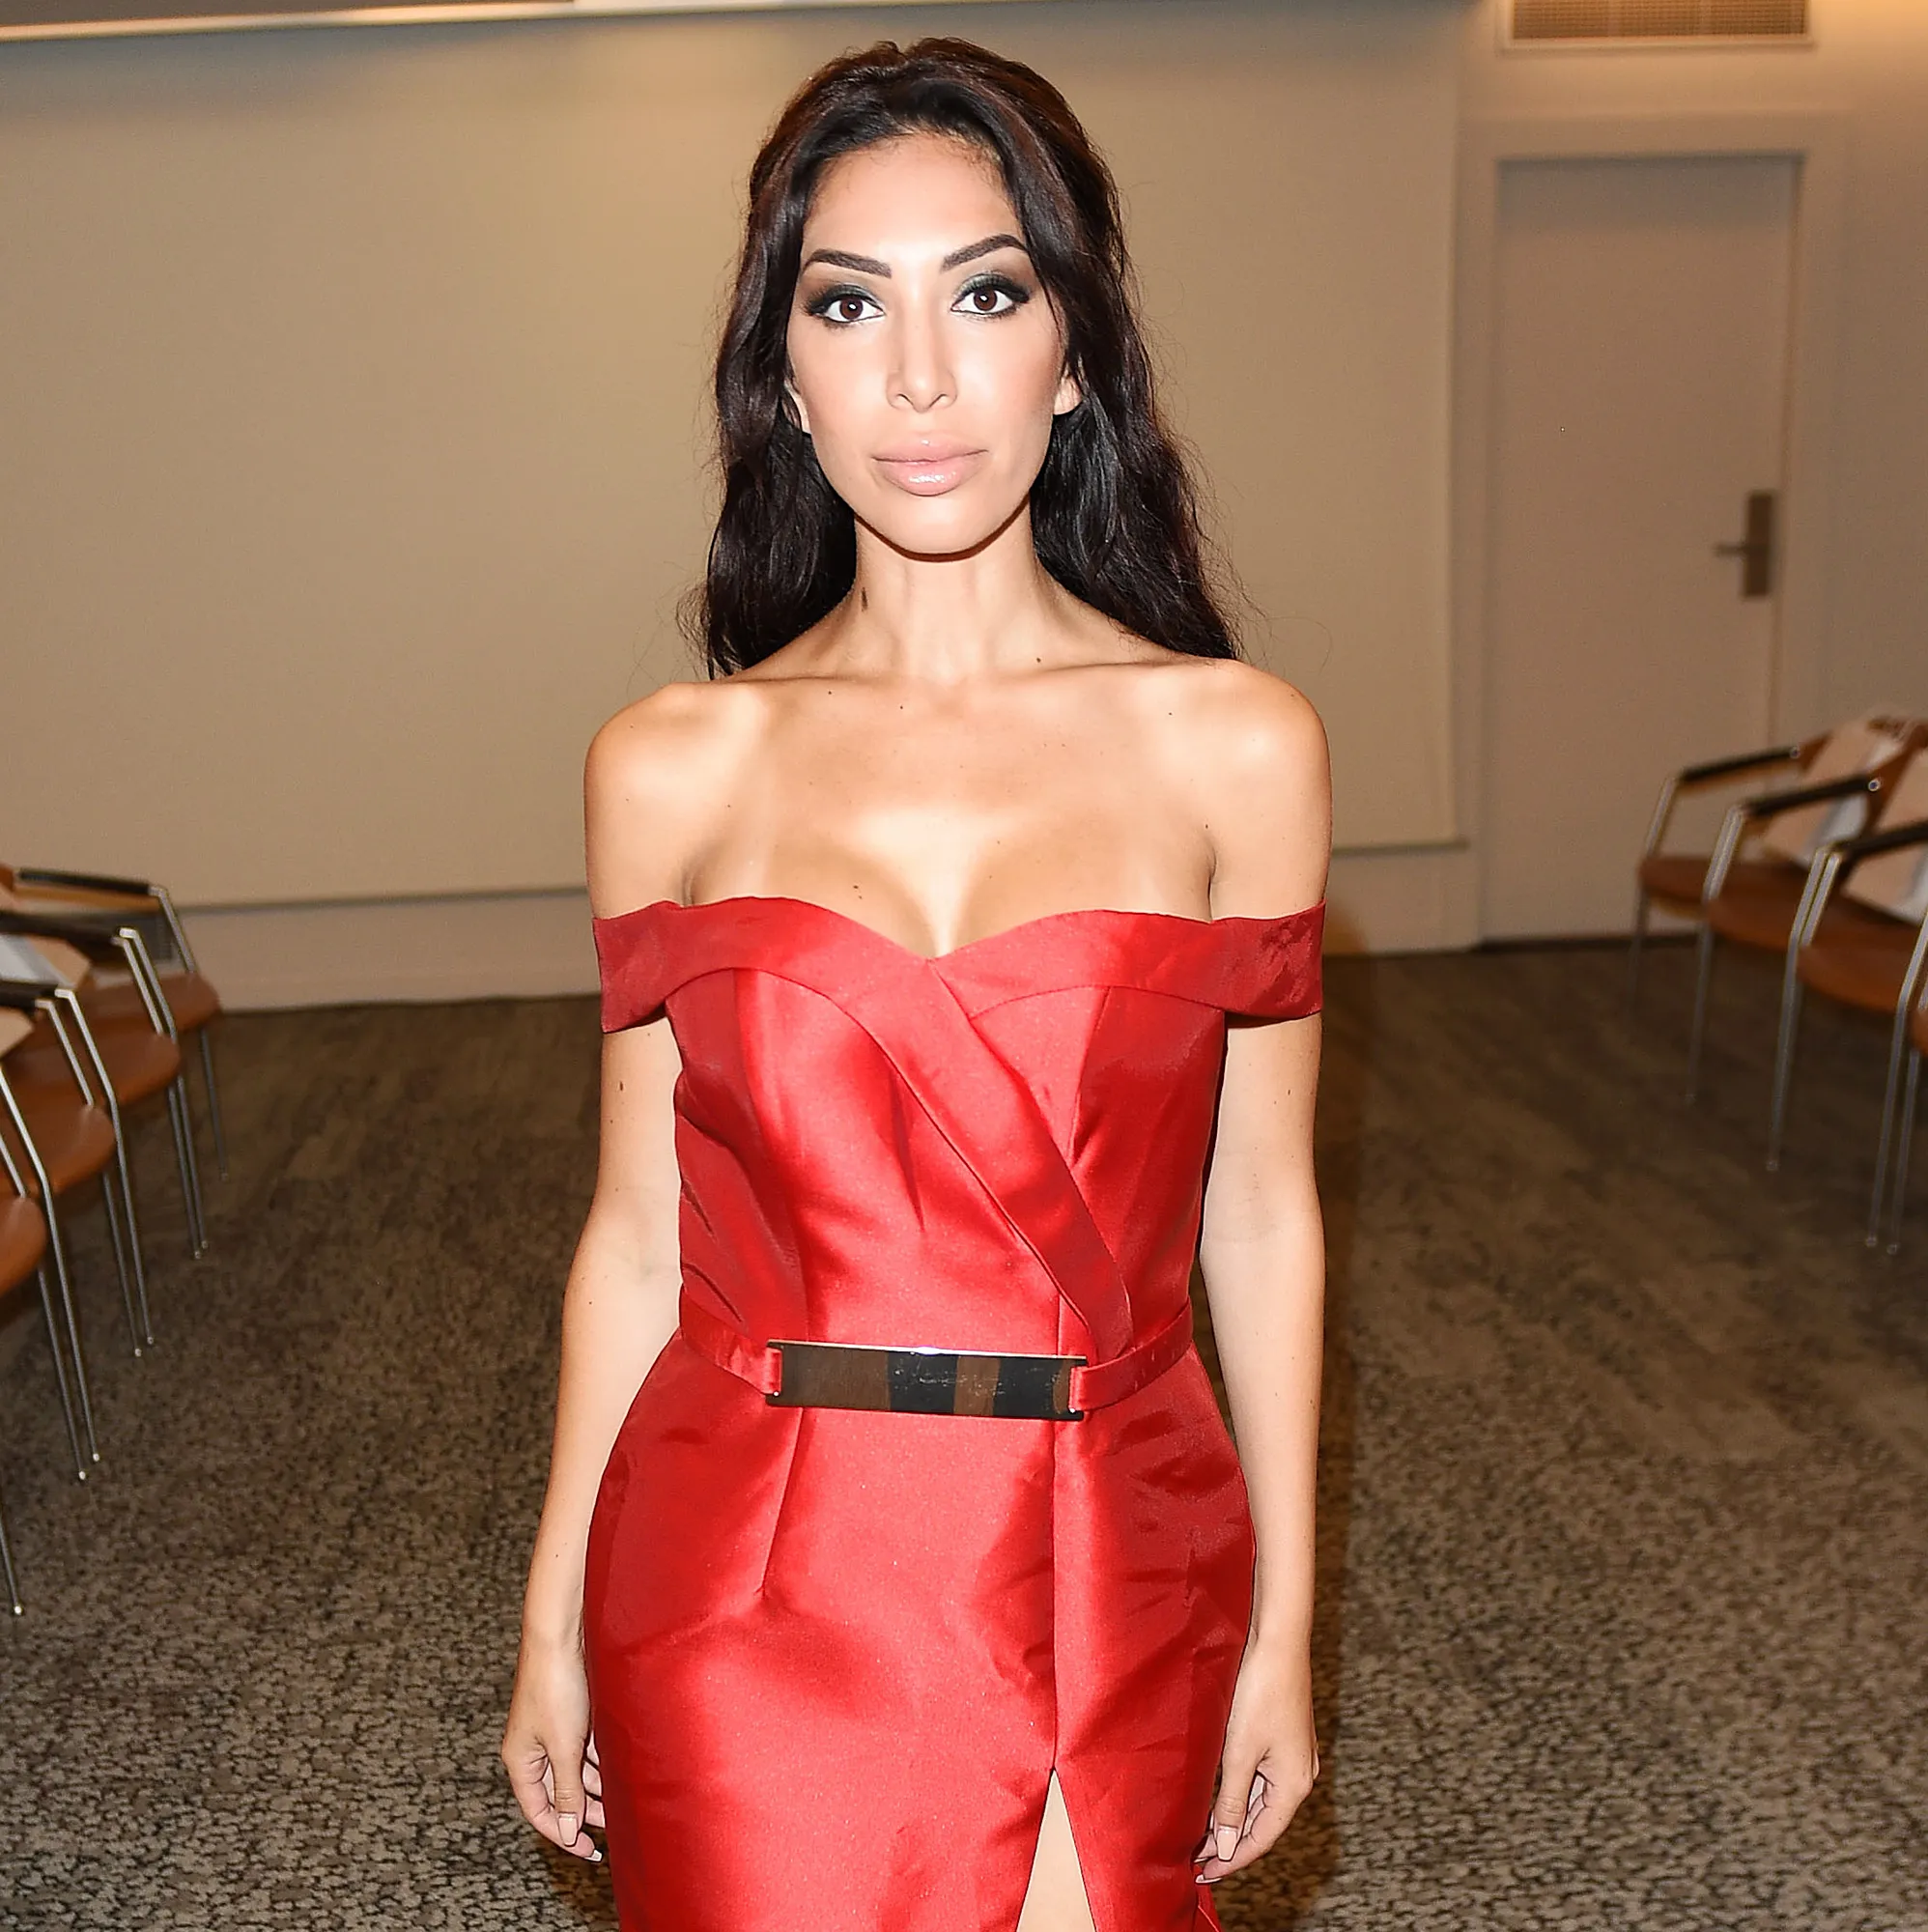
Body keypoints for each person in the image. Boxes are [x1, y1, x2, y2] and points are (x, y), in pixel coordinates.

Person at [500, 37, 1330, 1932]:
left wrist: (1283, 1622)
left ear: (1077, 349)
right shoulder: (668, 769)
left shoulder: (1236, 747)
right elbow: (635, 1236)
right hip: (740, 1571)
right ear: (781, 378)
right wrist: (549, 1615)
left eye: (987, 293)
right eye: (849, 304)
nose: (923, 378)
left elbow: (1262, 1216)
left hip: (1100, 1539)